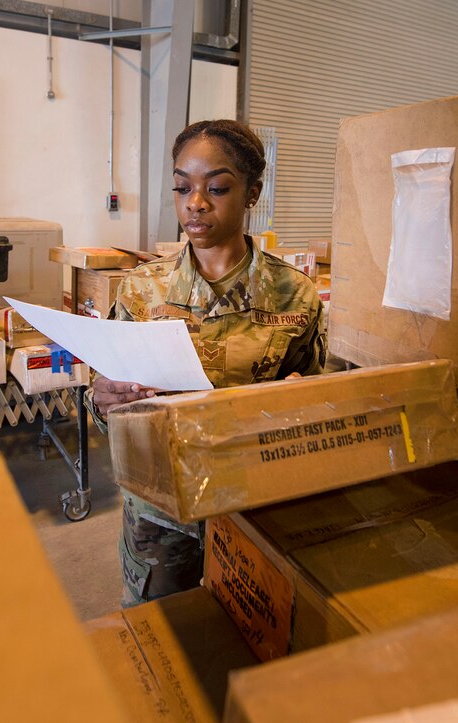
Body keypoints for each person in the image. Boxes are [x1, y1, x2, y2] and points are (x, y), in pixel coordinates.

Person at [86, 119, 327, 607]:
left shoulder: (293, 296)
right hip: (158, 512)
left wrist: (299, 401)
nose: (194, 203)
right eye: (182, 187)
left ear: (252, 192)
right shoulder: (140, 290)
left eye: (216, 187)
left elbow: (316, 402)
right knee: (159, 637)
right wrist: (100, 399)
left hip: (253, 502)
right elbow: (109, 403)